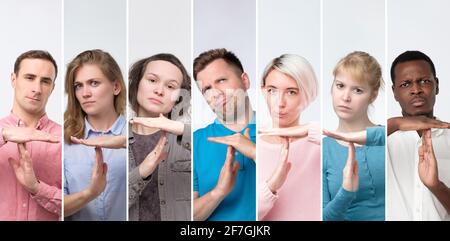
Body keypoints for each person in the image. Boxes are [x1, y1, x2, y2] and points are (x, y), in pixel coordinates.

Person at [193, 48, 256, 221]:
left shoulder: (275, 130)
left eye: (221, 80)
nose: (215, 93)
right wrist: (218, 192)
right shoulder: (196, 141)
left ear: (245, 80)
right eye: (207, 89)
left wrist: (257, 153)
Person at [63, 49, 127, 221]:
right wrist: (90, 193)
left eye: (94, 83)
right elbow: (56, 207)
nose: (85, 93)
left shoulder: (136, 135)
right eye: (78, 86)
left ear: (116, 87)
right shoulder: (65, 141)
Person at [387, 50, 450, 221]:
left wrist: (436, 186)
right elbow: (347, 140)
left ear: (437, 85)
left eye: (424, 81)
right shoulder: (383, 140)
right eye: (406, 84)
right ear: (394, 92)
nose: (416, 90)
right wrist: (397, 123)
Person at [127, 53, 191, 221]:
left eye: (170, 86)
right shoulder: (115, 138)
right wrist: (141, 172)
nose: (159, 91)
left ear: (179, 99)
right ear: (137, 84)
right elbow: (109, 205)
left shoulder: (188, 140)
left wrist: (181, 130)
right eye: (152, 80)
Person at [322, 51, 385, 221]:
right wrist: (346, 192)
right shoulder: (323, 150)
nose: (345, 97)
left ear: (373, 95)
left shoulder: (388, 138)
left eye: (357, 90)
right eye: (340, 86)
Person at [257, 54, 320, 220]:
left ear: (308, 94)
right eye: (272, 90)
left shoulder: (319, 144)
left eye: (291, 92)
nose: (280, 102)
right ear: (263, 91)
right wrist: (270, 187)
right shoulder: (250, 142)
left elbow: (351, 138)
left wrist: (310, 129)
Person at [0, 50, 61, 220]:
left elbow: (78, 203)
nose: (37, 89)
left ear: (53, 88)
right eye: (29, 78)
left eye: (45, 81)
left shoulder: (64, 139)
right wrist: (4, 134)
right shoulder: (2, 132)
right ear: (13, 79)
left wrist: (37, 188)